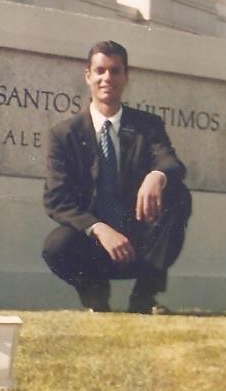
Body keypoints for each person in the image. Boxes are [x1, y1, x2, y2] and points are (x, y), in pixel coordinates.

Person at [42, 40, 192, 313]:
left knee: (179, 194)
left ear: (126, 76)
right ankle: (95, 296)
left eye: (115, 71)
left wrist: (156, 175)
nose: (107, 78)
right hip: (93, 247)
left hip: (139, 244)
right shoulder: (64, 135)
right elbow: (56, 199)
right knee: (55, 246)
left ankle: (144, 299)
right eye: (100, 71)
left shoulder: (148, 126)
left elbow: (170, 161)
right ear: (88, 75)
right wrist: (99, 229)